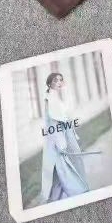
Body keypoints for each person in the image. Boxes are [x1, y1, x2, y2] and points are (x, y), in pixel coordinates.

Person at [40, 73, 89, 203]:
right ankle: (78, 190)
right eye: (56, 80)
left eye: (61, 80)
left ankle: (59, 195)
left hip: (67, 131)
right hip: (60, 134)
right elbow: (52, 122)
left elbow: (68, 110)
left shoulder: (57, 97)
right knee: (64, 165)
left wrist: (66, 90)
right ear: (49, 83)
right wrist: (61, 142)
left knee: (72, 161)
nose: (59, 82)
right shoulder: (49, 99)